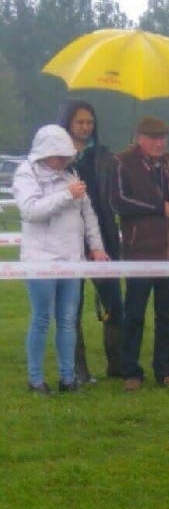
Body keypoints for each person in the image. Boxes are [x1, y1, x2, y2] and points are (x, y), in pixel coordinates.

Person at [12, 124, 108, 394]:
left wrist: (97, 247)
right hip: (40, 260)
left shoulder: (70, 175)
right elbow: (31, 211)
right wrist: (67, 196)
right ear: (46, 153)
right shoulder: (26, 174)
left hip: (72, 259)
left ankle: (68, 378)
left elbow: (87, 214)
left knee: (67, 320)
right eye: (59, 155)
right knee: (41, 319)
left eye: (66, 156)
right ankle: (36, 379)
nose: (64, 160)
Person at [110, 116, 169, 391]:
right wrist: (158, 207)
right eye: (153, 137)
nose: (159, 143)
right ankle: (130, 372)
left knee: (167, 317)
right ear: (139, 138)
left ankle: (166, 371)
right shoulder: (122, 162)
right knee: (134, 315)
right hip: (140, 253)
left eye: (162, 137)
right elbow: (119, 202)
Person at [57, 99, 122, 382]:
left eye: (90, 122)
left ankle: (118, 364)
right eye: (80, 122)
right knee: (72, 307)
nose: (85, 127)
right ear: (69, 123)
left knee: (113, 303)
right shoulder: (56, 157)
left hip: (103, 237)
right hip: (67, 238)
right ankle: (78, 368)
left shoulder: (106, 157)